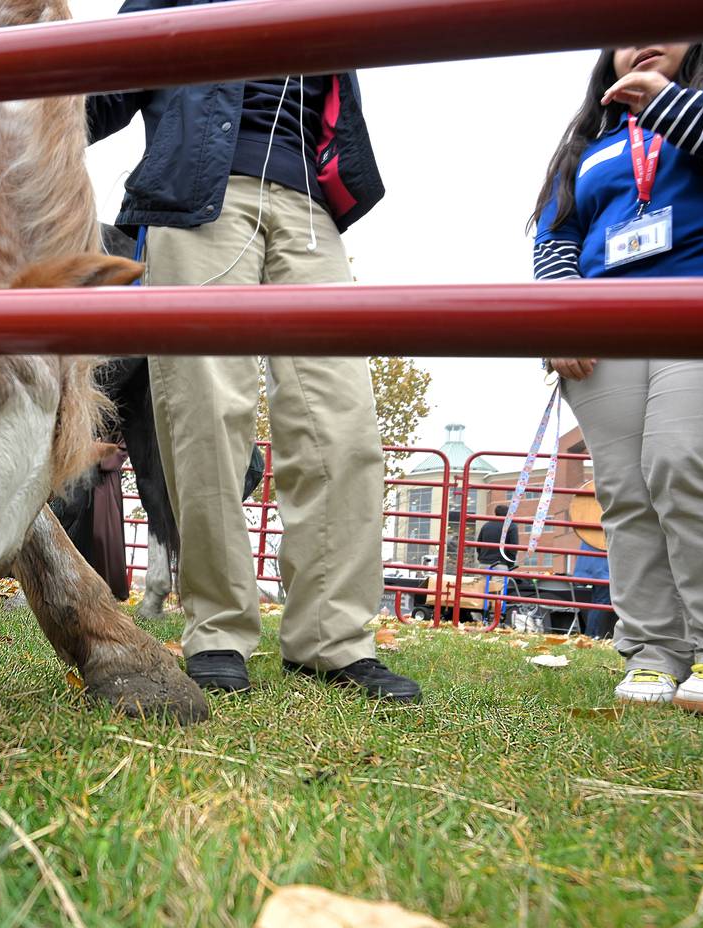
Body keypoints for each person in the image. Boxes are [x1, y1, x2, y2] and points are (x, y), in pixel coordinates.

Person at [85, 0, 420, 703]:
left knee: (343, 421)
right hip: (198, 199)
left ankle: (332, 638)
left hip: (310, 208)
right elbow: (101, 89)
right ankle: (218, 626)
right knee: (205, 406)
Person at [533, 41, 703, 711]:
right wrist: (562, 314)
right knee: (624, 490)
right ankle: (653, 649)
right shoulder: (589, 144)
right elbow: (558, 236)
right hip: (607, 326)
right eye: (624, 29)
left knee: (687, 462)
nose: (643, 33)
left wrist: (668, 104)